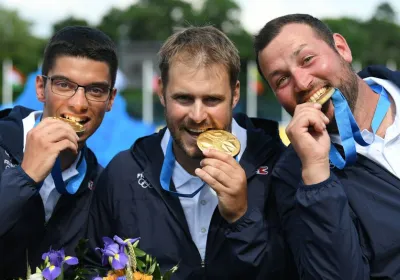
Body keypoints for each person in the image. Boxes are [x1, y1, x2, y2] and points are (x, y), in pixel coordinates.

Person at [86, 26, 297, 279]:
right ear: (162, 92)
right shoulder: (123, 174)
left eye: (212, 100)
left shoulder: (278, 166)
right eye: (184, 99)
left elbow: (297, 270)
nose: (197, 116)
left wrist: (242, 218)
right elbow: (93, 267)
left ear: (235, 93)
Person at [255, 13, 400, 279]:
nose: (302, 83)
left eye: (307, 60)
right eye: (281, 80)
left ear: (341, 48)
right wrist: (317, 173)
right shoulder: (292, 177)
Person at [0, 26, 118, 278]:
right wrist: (24, 176)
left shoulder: (102, 184)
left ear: (110, 100)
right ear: (41, 88)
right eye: (64, 85)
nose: (79, 103)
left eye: (96, 90)